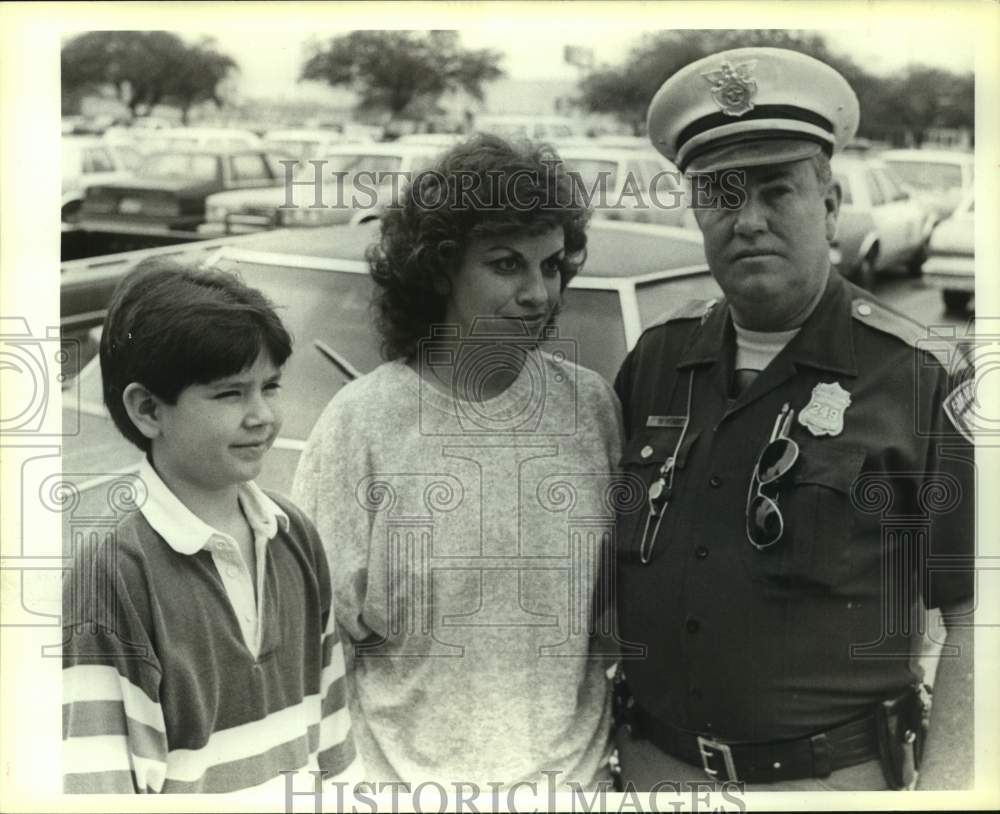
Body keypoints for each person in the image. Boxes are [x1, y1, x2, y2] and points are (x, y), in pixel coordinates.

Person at [612, 47, 974, 791]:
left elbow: (977, 618)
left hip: (827, 783)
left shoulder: (920, 377)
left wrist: (949, 790)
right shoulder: (656, 361)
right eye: (721, 194)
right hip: (653, 772)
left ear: (831, 204)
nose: (748, 221)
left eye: (777, 191)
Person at [292, 134, 620, 789]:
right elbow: (313, 645)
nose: (538, 292)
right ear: (441, 269)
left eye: (552, 266)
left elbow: (611, 620)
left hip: (571, 786)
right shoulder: (361, 424)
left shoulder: (590, 408)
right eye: (506, 265)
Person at [62, 260, 360, 793]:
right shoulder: (114, 572)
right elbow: (99, 785)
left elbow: (334, 744)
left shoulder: (295, 536)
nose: (262, 415)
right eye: (230, 393)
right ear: (148, 409)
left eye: (270, 387)